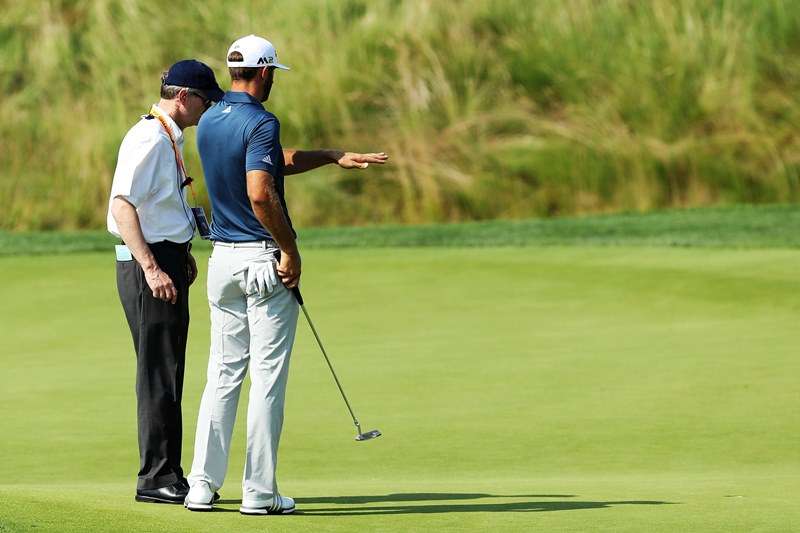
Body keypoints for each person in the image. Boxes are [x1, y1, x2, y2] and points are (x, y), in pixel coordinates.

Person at [184, 35, 388, 515]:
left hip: (223, 263)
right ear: (265, 72)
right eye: (273, 72)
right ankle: (258, 493)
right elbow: (261, 191)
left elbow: (274, 161)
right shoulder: (262, 121)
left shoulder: (211, 118)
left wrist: (332, 154)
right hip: (261, 260)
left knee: (223, 374)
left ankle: (201, 485)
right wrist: (289, 249)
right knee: (267, 379)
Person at [108, 60, 224, 504]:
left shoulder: (164, 137)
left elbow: (158, 204)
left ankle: (167, 472)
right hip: (148, 267)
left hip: (166, 259)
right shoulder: (150, 139)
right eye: (204, 100)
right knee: (159, 372)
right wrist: (154, 267)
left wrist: (182, 253)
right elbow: (123, 206)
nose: (207, 108)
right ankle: (156, 477)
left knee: (168, 368)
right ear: (182, 97)